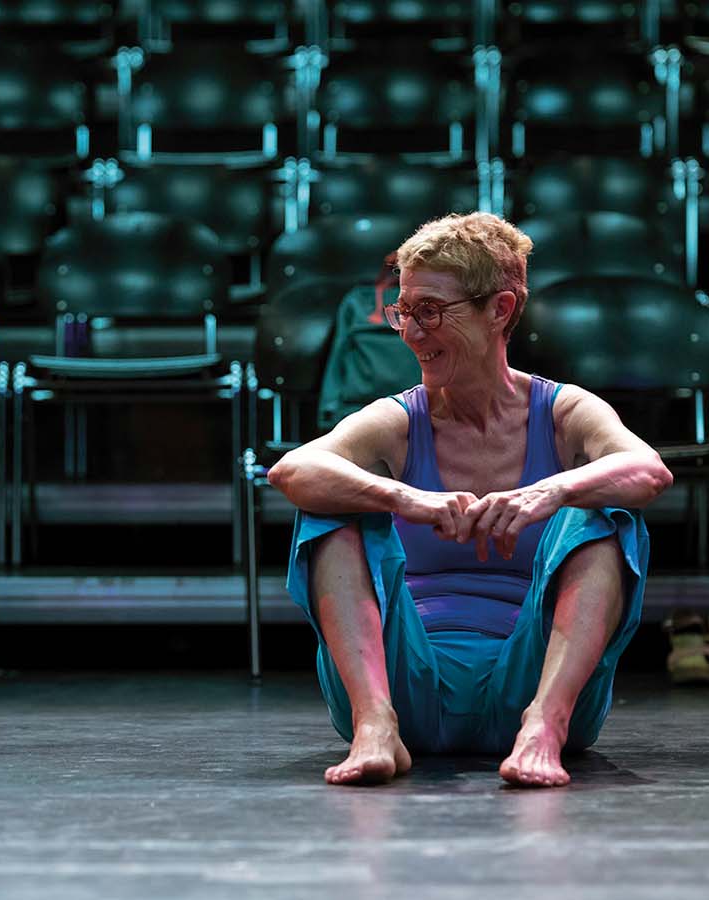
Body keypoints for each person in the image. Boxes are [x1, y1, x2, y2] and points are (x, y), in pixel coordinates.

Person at [268, 212, 672, 788]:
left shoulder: (563, 412)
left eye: (430, 311)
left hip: (532, 680)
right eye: (403, 311)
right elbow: (294, 469)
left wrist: (551, 490)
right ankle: (375, 726)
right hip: (407, 687)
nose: (410, 331)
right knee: (331, 503)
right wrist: (408, 499)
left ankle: (543, 729)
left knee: (601, 507)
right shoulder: (399, 420)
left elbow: (648, 471)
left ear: (500, 310)